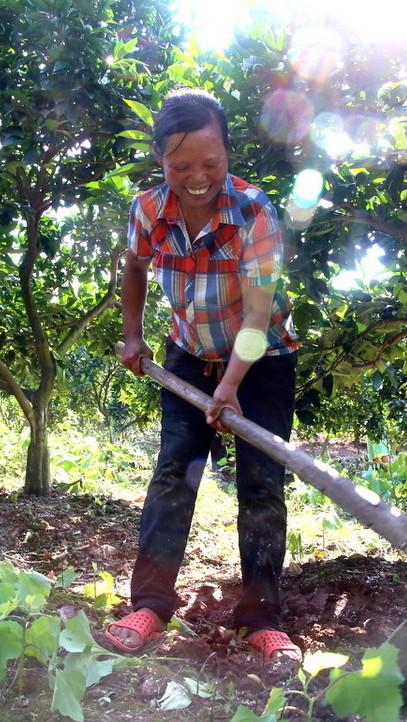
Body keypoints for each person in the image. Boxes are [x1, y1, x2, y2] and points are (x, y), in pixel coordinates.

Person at [103, 88, 302, 664]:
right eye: (181, 165)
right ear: (161, 160)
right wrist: (135, 335)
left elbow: (259, 315)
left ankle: (261, 617)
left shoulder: (253, 213)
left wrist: (233, 382)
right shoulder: (147, 211)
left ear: (228, 156)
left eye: (210, 164)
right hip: (188, 352)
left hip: (261, 360)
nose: (197, 177)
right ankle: (150, 605)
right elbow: (136, 271)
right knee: (174, 473)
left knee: (262, 482)